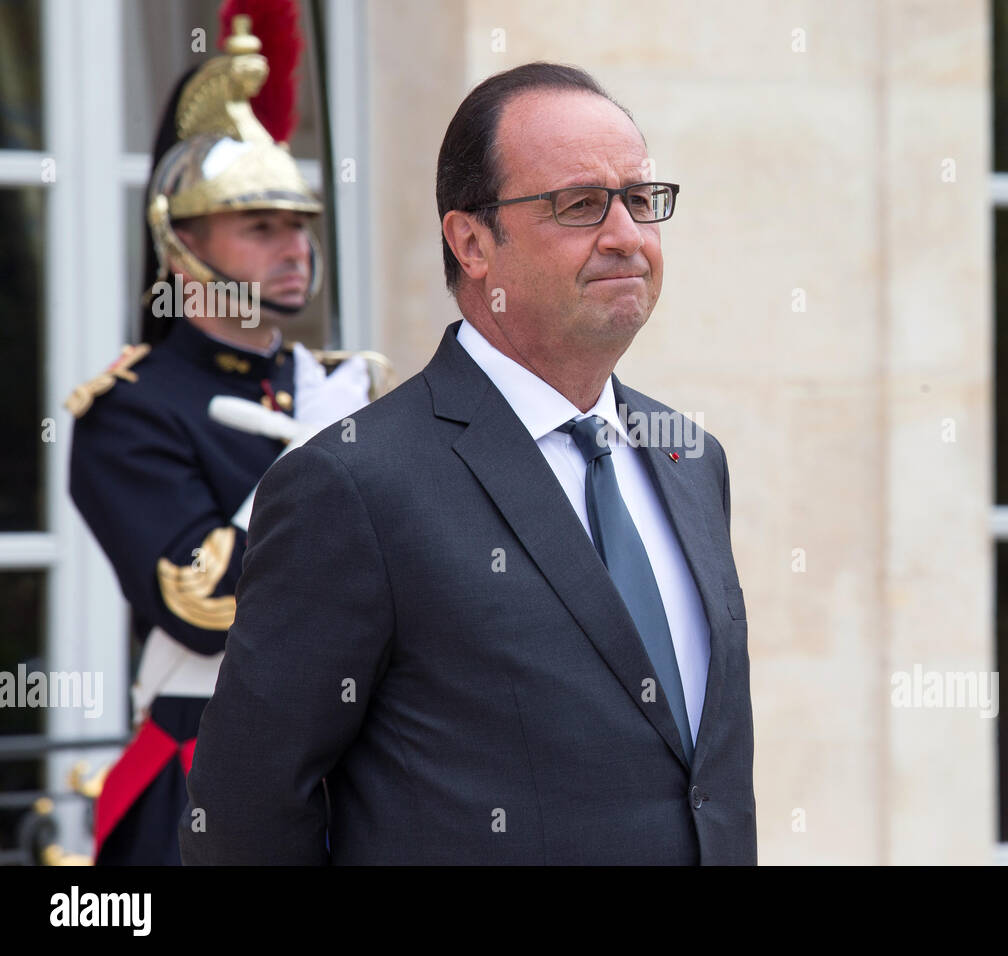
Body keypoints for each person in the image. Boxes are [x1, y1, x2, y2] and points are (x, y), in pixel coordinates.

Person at [180, 62, 756, 865]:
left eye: (641, 200)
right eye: (581, 205)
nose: (627, 235)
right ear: (472, 243)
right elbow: (245, 813)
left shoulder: (691, 459)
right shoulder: (353, 486)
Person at [66, 14, 389, 865]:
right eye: (260, 228)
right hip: (203, 778)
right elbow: (202, 606)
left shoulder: (337, 382)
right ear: (183, 246)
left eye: (299, 224)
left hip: (352, 771)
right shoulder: (130, 409)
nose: (295, 249)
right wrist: (305, 465)